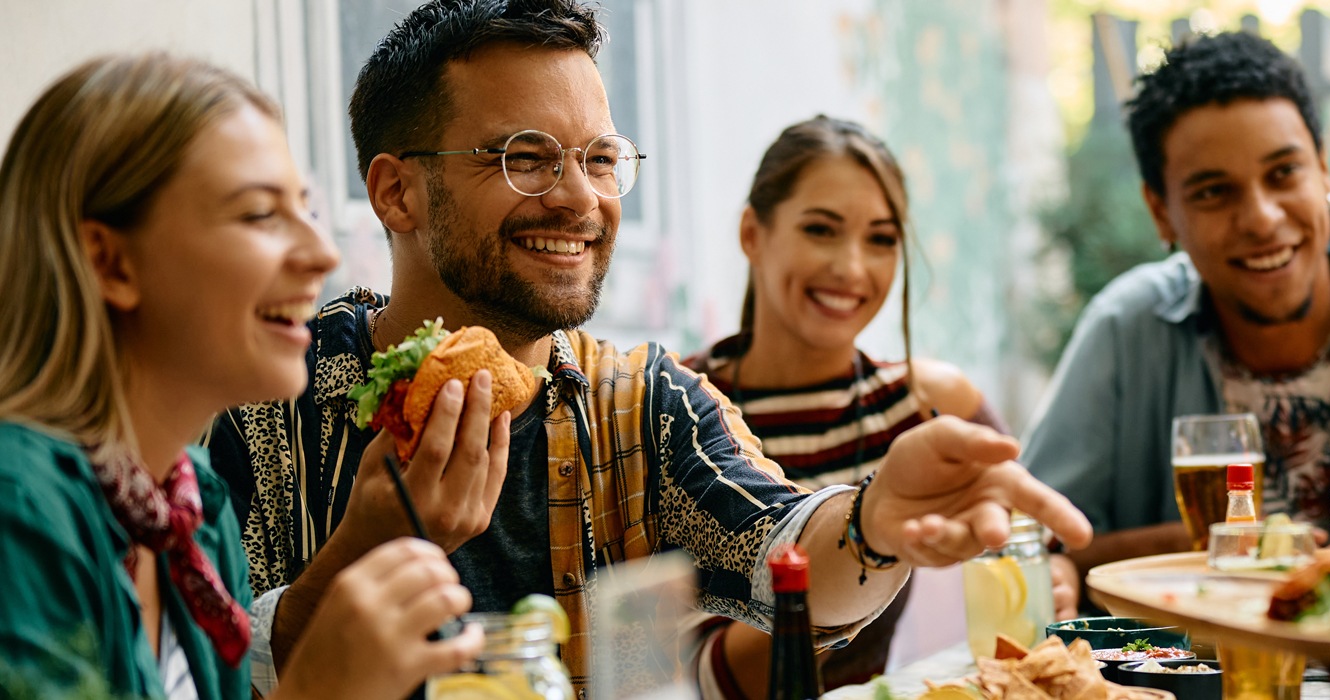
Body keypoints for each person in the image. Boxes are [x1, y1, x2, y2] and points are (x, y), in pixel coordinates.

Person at [205, 1, 1092, 695]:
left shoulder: (639, 402)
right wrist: (364, 550)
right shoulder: (261, 402)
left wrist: (878, 522)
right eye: (525, 157)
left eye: (599, 158)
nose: (579, 199)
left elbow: (782, 550)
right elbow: (194, 668)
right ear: (397, 193)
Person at [0, 53, 480, 700]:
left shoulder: (191, 508)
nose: (322, 255)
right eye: (259, 215)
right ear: (110, 264)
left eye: (304, 210)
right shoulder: (19, 509)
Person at [1022, 30, 1330, 592]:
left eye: (1283, 173)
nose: (1262, 218)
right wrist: (1199, 548)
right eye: (1214, 192)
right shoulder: (1125, 328)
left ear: (1322, 169)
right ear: (1160, 212)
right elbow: (1035, 541)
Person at [680, 116, 1022, 697]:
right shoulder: (675, 406)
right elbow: (687, 669)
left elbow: (1041, 551)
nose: (852, 268)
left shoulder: (928, 404)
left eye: (882, 239)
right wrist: (866, 534)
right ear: (751, 234)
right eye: (821, 229)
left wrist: (1049, 577)